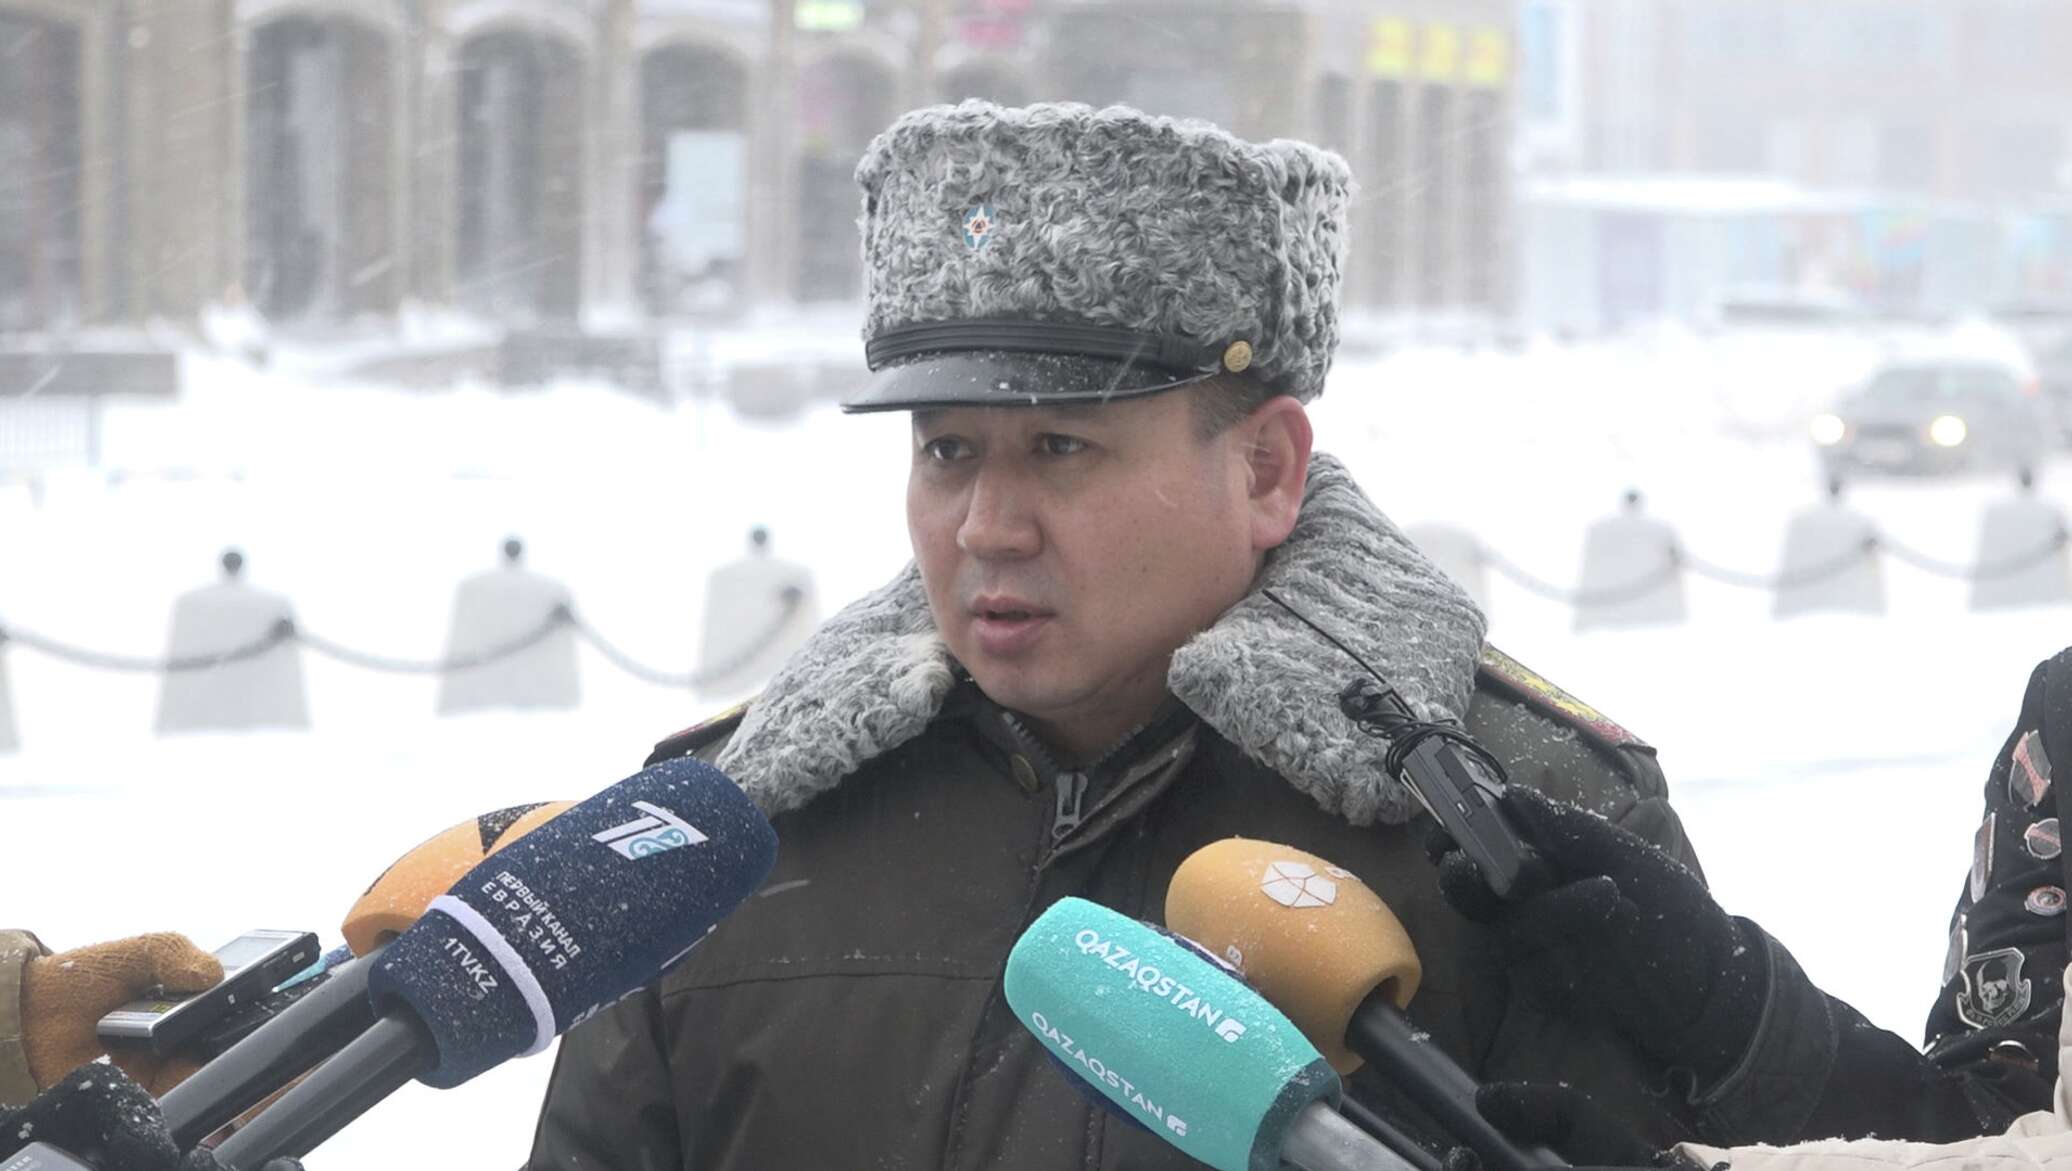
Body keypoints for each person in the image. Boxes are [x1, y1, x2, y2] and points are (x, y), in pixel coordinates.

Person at [521, 100, 1891, 1170]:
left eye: (1062, 450)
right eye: (947, 451)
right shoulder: (725, 828)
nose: (987, 526)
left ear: (1267, 470)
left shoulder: (1506, 827)